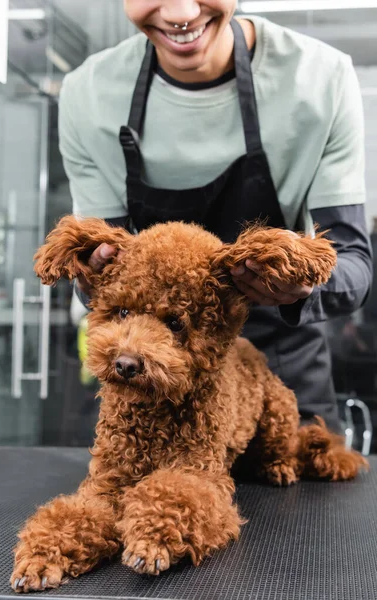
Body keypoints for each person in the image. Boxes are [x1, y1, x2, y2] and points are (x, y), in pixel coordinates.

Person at [58, 0, 373, 434]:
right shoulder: (87, 95)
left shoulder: (320, 80)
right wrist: (90, 272)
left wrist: (297, 287)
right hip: (154, 387)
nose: (181, 12)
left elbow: (354, 264)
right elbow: (101, 278)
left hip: (283, 381)